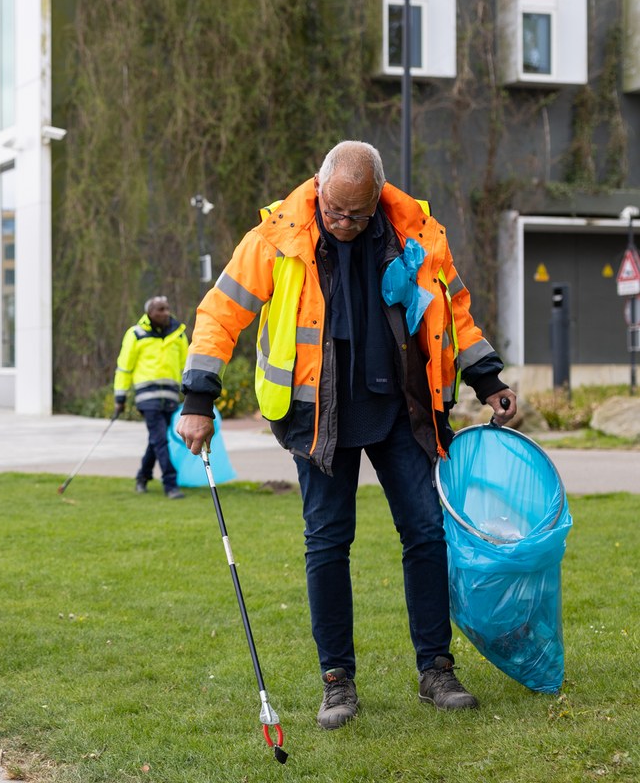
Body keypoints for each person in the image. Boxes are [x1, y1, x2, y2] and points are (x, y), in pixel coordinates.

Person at [177, 141, 517, 730]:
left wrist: (487, 378)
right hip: (318, 418)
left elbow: (453, 309)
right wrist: (198, 398)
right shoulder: (279, 234)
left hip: (399, 408)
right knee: (328, 543)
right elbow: (221, 310)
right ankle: (337, 682)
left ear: (376, 201)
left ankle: (436, 669)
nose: (341, 223)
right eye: (334, 210)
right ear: (319, 186)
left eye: (355, 215)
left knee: (427, 533)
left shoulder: (414, 229)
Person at [114, 296, 189, 499]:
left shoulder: (178, 335)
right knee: (160, 439)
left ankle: (143, 477)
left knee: (156, 441)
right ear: (149, 313)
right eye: (160, 309)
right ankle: (171, 484)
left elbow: (186, 366)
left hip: (170, 396)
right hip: (147, 397)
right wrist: (120, 397)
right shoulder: (136, 334)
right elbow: (124, 367)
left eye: (167, 308)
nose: (166, 312)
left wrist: (191, 393)